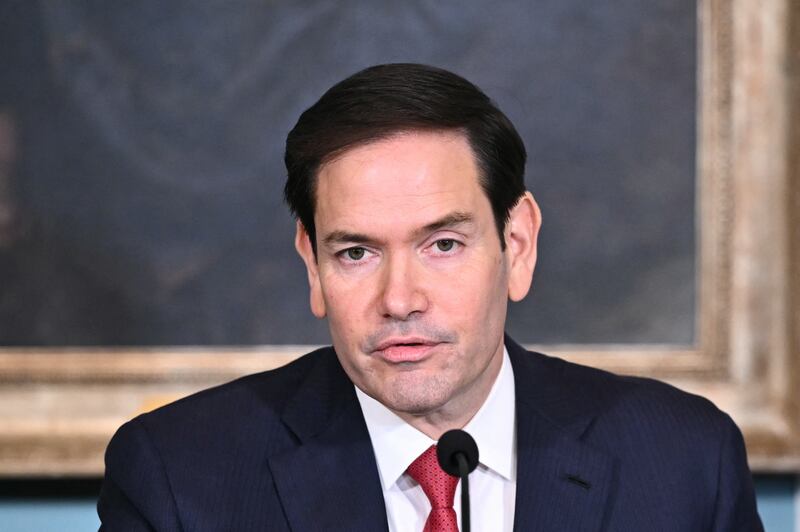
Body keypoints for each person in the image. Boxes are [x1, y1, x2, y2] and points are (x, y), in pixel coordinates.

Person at [97, 63, 762, 531]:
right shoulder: (180, 477)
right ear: (312, 265)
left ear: (517, 245)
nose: (399, 300)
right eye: (356, 253)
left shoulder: (682, 463)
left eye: (442, 244)